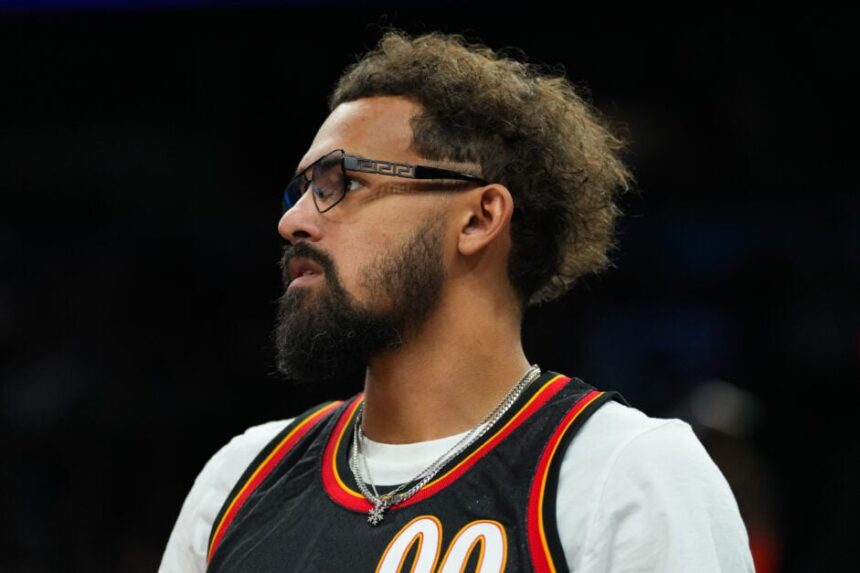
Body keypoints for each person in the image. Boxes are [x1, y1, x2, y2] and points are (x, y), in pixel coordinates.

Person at [159, 29, 754, 572]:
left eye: (343, 183)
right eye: (303, 190)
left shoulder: (625, 475)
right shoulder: (240, 477)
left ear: (479, 218)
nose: (293, 221)